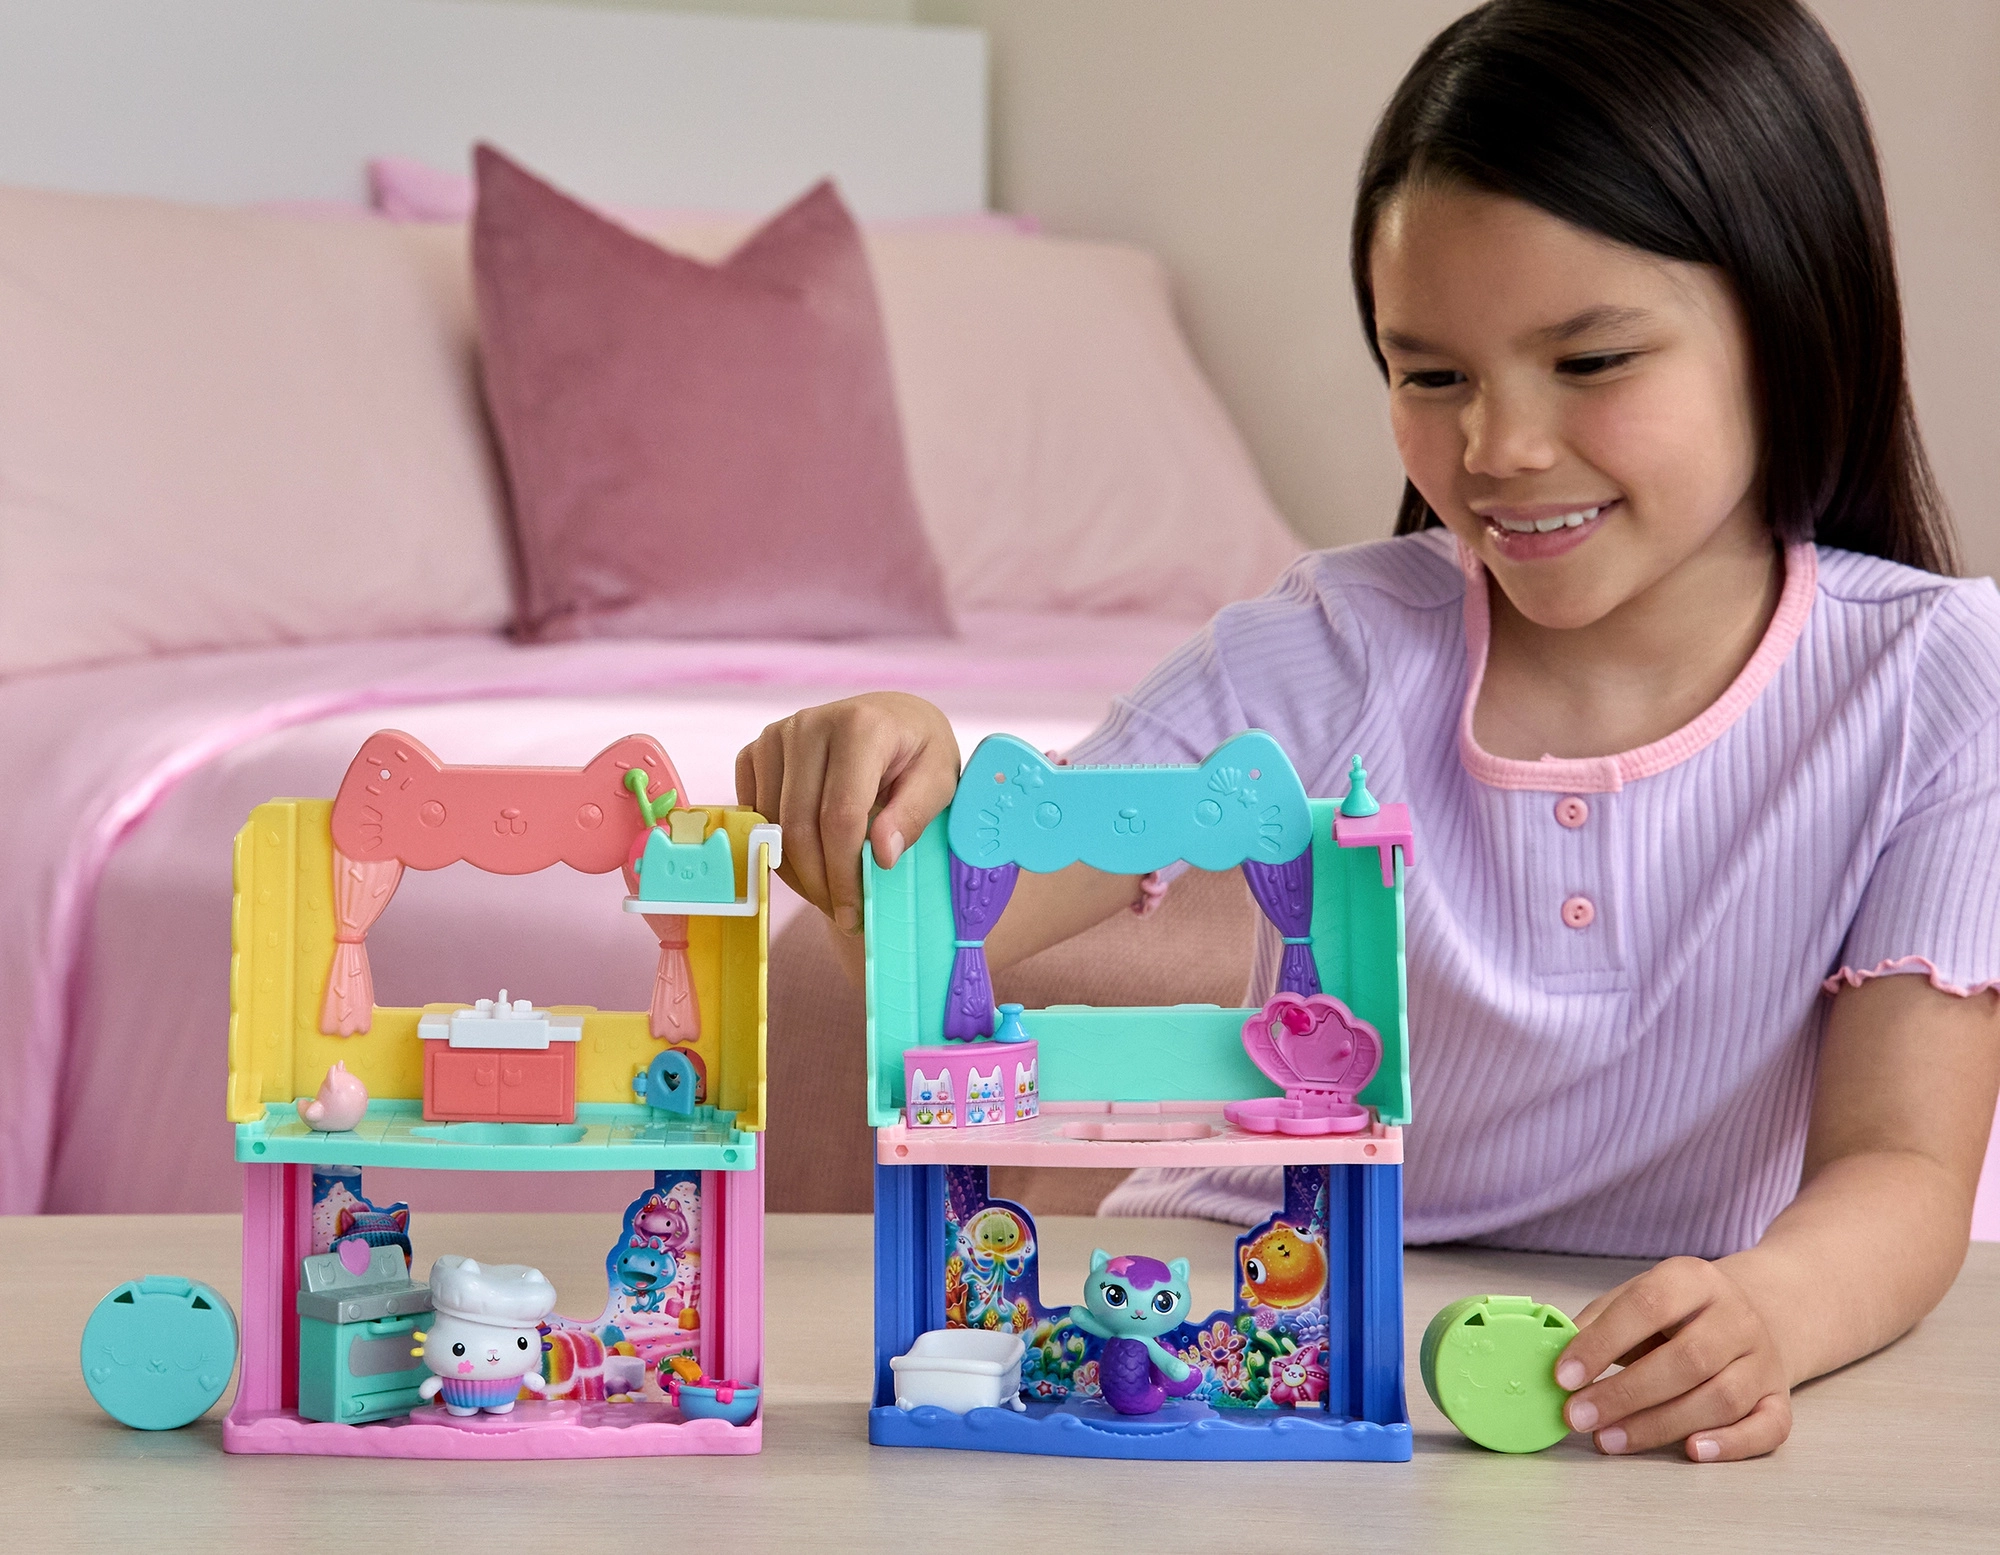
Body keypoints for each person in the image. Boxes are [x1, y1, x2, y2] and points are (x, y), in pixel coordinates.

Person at [737, 0, 2000, 1463]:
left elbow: (1905, 1167)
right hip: (1243, 1326)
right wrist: (894, 781)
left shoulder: (1934, 680)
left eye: (1591, 362)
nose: (1499, 449)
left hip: (1596, 1382)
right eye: (1432, 373)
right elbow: (949, 923)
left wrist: (1765, 1315)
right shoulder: (1329, 647)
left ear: (1791, 325)